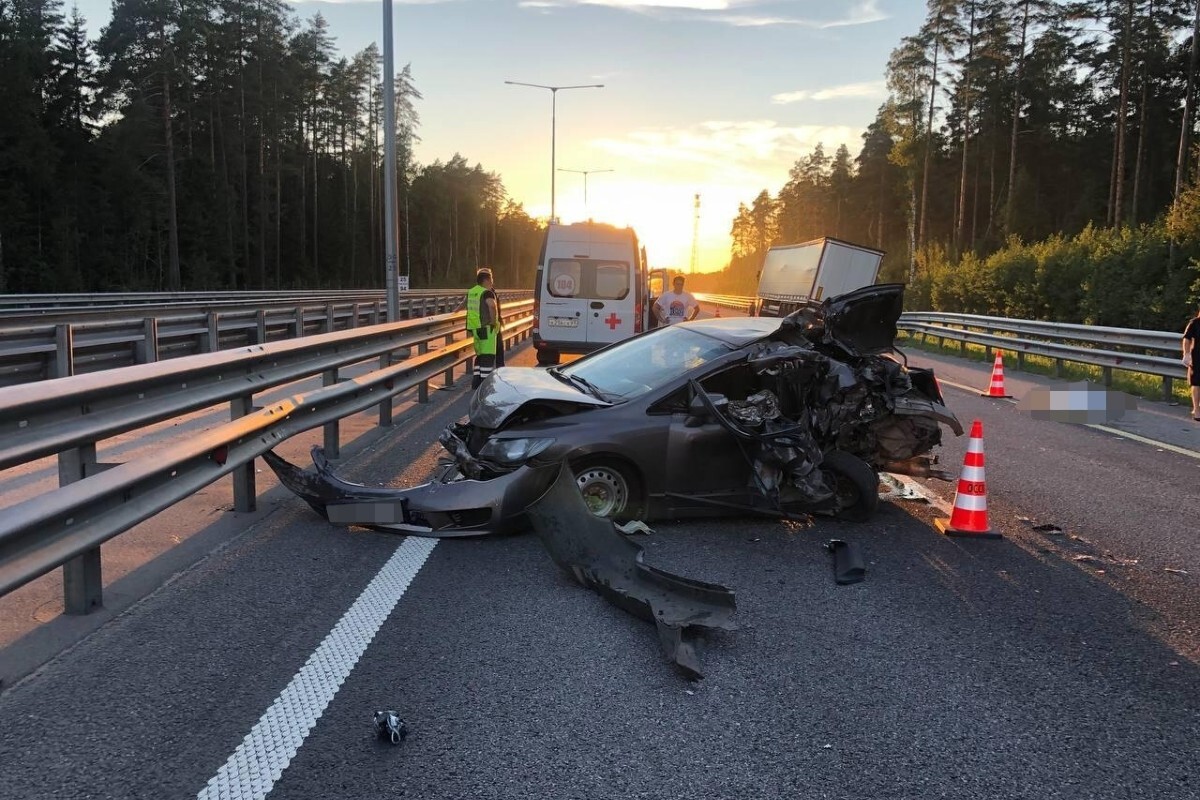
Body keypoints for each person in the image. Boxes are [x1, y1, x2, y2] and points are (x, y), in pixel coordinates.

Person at [466, 267, 503, 388]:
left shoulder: (472, 291)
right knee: (488, 357)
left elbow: (465, 305)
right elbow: (492, 306)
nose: (492, 282)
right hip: (487, 329)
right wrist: (493, 322)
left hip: (476, 329)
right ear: (486, 280)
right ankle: (485, 387)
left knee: (480, 356)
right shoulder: (487, 292)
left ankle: (476, 383)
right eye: (491, 279)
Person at [1184, 305, 1200, 420]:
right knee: (1197, 383)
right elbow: (1187, 338)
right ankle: (1197, 410)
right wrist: (1186, 354)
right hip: (1197, 357)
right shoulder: (1195, 323)